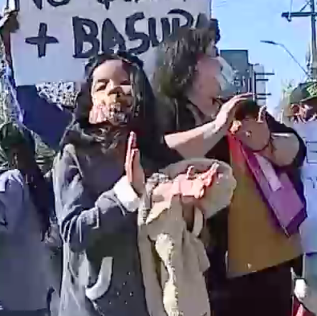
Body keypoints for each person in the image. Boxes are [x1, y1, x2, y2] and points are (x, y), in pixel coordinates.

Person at [153, 22, 306, 316]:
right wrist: (216, 128)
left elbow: (297, 149)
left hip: (263, 266)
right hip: (200, 271)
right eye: (213, 54)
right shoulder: (165, 112)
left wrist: (268, 143)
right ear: (190, 66)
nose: (220, 61)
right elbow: (158, 155)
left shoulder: (240, 108)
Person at [53, 52, 183, 316]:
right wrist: (126, 194)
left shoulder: (155, 154)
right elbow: (75, 232)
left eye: (124, 82)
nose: (114, 89)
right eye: (101, 85)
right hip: (94, 307)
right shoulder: (74, 155)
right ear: (89, 102)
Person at [0, 122, 57, 316]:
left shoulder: (10, 182)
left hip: (14, 299)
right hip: (39, 296)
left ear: (13, 153)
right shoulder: (39, 183)